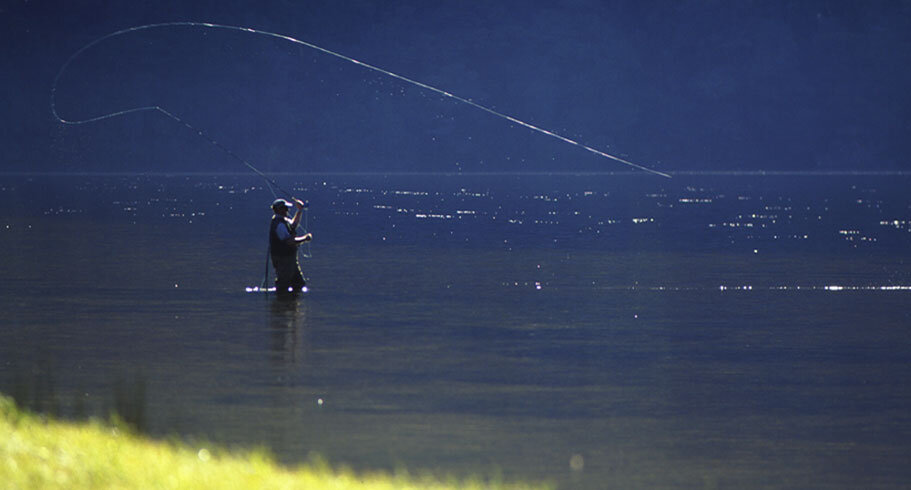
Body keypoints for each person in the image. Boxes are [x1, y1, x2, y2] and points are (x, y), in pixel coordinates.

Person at [269, 198, 312, 292]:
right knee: (283, 285)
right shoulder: (279, 224)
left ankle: (291, 305)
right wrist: (305, 238)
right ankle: (281, 304)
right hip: (283, 259)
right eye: (285, 208)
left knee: (298, 283)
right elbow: (289, 241)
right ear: (280, 209)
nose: (288, 210)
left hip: (289, 258)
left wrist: (299, 210)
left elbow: (293, 225)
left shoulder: (283, 220)